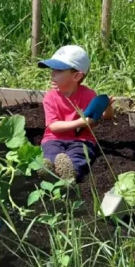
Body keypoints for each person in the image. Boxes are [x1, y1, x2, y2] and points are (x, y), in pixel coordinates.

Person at [38, 44, 112, 182]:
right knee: (50, 153)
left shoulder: (89, 95)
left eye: (59, 70)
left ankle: (70, 174)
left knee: (78, 156)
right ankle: (48, 170)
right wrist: (81, 122)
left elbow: (105, 117)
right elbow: (53, 126)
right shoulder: (50, 97)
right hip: (53, 138)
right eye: (52, 69)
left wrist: (107, 107)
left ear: (77, 76)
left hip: (81, 140)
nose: (52, 74)